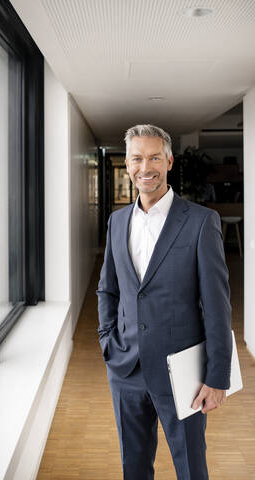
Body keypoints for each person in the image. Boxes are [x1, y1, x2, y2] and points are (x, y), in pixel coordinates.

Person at [96, 124, 232, 480]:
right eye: (138, 158)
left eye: (155, 157)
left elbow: (217, 305)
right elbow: (108, 289)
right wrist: (108, 341)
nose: (147, 167)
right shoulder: (117, 221)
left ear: (169, 161)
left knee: (191, 468)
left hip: (182, 372)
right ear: (128, 164)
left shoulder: (202, 222)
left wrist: (217, 377)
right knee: (134, 468)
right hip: (125, 368)